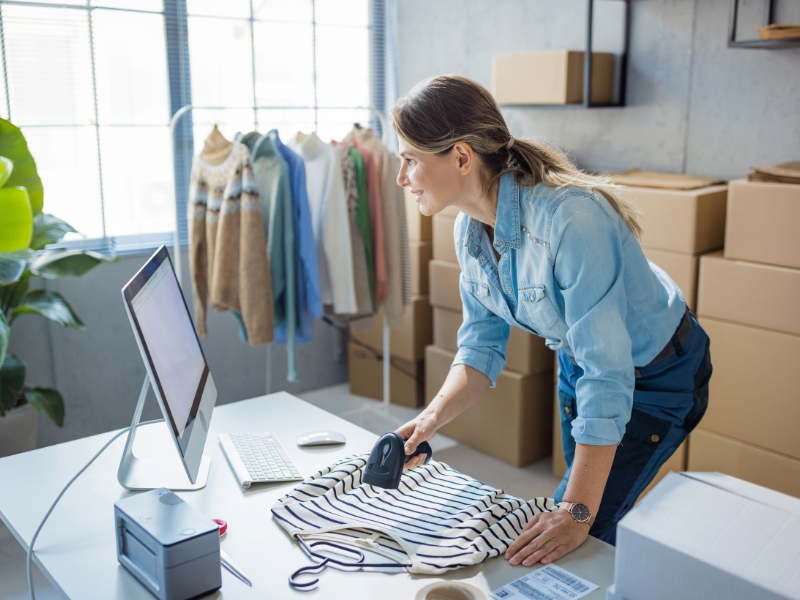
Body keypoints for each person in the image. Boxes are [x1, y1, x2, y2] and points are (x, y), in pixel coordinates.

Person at [393, 75, 712, 566]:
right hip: (580, 360)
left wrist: (577, 512)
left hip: (657, 373)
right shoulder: (469, 231)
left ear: (460, 157)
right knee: (582, 517)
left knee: (580, 527)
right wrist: (430, 421)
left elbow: (608, 375)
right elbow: (480, 348)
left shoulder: (573, 221)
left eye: (410, 159)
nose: (402, 177)